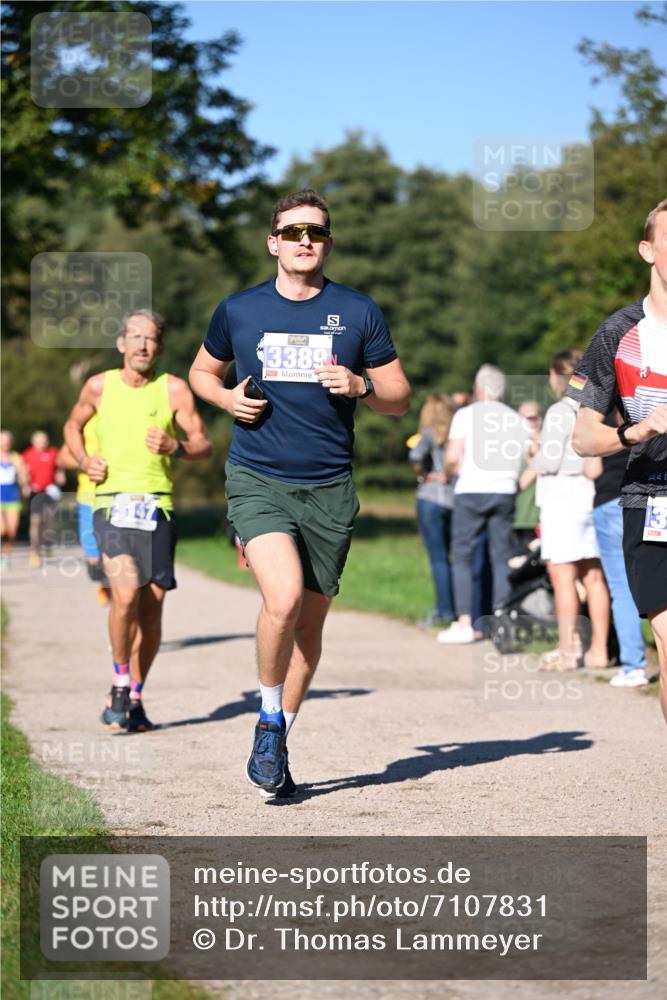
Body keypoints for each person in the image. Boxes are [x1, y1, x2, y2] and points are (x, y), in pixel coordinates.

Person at [189, 188, 410, 798]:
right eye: (292, 232)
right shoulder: (239, 309)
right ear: (273, 243)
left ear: (328, 243)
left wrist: (361, 384)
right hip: (257, 477)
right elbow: (202, 372)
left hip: (330, 488)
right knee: (282, 599)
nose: (304, 240)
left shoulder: (358, 311)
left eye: (314, 231)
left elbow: (400, 397)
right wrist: (227, 398)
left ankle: (277, 738)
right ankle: (266, 718)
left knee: (308, 630)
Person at [64, 310, 212, 732]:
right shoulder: (99, 386)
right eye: (135, 337)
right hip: (111, 503)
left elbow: (203, 443)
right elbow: (72, 427)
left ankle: (136, 698)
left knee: (152, 609)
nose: (142, 345)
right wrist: (83, 459)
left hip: (157, 506)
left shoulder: (174, 390)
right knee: (125, 594)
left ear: (160, 348)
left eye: (150, 339)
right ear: (121, 343)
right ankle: (118, 682)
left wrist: (176, 446)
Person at [568, 198, 667, 721]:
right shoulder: (618, 333)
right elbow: (583, 439)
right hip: (652, 498)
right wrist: (641, 427)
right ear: (647, 250)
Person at [437, 364, 529, 645]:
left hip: (470, 490)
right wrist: (518, 484)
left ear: (478, 388)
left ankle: (465, 622)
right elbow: (536, 455)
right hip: (503, 490)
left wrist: (449, 474)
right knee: (501, 558)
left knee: (463, 556)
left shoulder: (465, 415)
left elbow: (453, 456)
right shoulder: (516, 419)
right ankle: (501, 622)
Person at [531, 350, 611, 672]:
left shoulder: (559, 412)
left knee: (562, 576)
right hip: (586, 496)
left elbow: (548, 461)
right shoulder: (594, 411)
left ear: (556, 376)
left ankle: (568, 650)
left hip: (560, 498)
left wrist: (533, 452)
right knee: (593, 576)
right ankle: (600, 650)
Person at [589, 408, 648, 688]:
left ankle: (634, 666)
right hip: (648, 498)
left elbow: (592, 468)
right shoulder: (646, 405)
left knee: (621, 587)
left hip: (610, 499)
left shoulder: (599, 415)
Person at [408, 393, 455, 628]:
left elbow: (415, 455)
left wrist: (423, 473)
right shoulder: (458, 435)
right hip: (455, 499)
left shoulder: (427, 435)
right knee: (456, 558)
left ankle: (444, 610)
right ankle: (459, 607)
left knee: (438, 559)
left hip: (430, 497)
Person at [57, 415, 111, 607]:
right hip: (88, 497)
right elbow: (62, 457)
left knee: (119, 555)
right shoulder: (87, 419)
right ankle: (105, 584)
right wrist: (86, 462)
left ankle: (119, 593)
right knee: (94, 562)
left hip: (119, 498)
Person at [22, 430, 64, 567]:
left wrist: (60, 474)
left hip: (50, 490)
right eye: (39, 441)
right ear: (33, 442)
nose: (42, 443)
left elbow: (59, 467)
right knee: (36, 521)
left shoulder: (53, 452)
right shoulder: (28, 454)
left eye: (44, 441)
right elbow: (23, 472)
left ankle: (48, 544)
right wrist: (25, 485)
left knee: (51, 520)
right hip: (36, 491)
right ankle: (35, 552)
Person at [513, 401, 542, 551]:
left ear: (540, 419)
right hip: (515, 516)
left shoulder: (546, 442)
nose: (525, 422)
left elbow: (525, 481)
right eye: (521, 418)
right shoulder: (513, 444)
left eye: (531, 418)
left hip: (534, 517)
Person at [0, 430, 29, 568]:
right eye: (2, 439)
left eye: (6, 440)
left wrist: (25, 485)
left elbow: (23, 475)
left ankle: (6, 555)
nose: (4, 442)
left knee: (12, 530)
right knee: (1, 529)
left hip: (12, 496)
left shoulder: (16, 457)